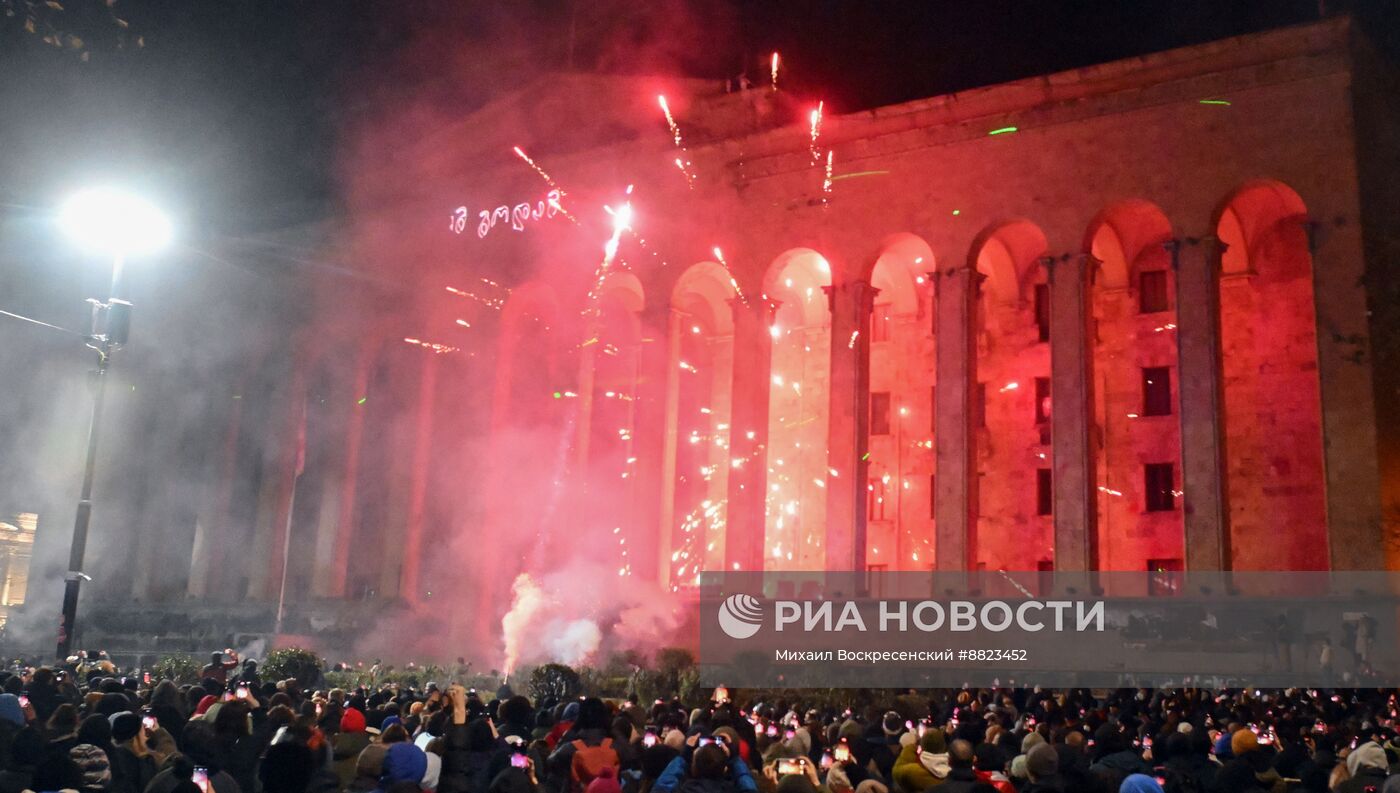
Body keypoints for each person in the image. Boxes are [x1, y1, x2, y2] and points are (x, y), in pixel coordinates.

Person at [107, 711, 158, 793]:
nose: (146, 736)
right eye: (143, 731)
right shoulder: (132, 763)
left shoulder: (112, 756)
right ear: (135, 737)